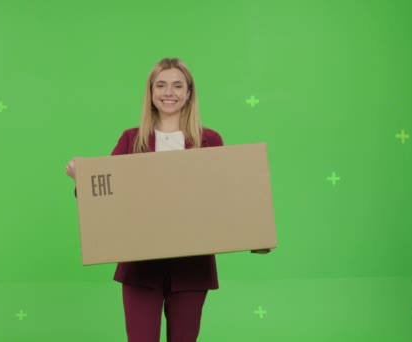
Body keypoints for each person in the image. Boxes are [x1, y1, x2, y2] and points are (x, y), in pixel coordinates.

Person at [65, 57, 270, 342]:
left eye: (177, 85)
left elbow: (228, 200)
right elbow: (106, 197)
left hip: (191, 269)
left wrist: (255, 234)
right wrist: (82, 179)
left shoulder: (210, 141)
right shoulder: (131, 140)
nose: (168, 92)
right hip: (140, 268)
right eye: (160, 85)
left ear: (189, 93)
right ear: (150, 93)